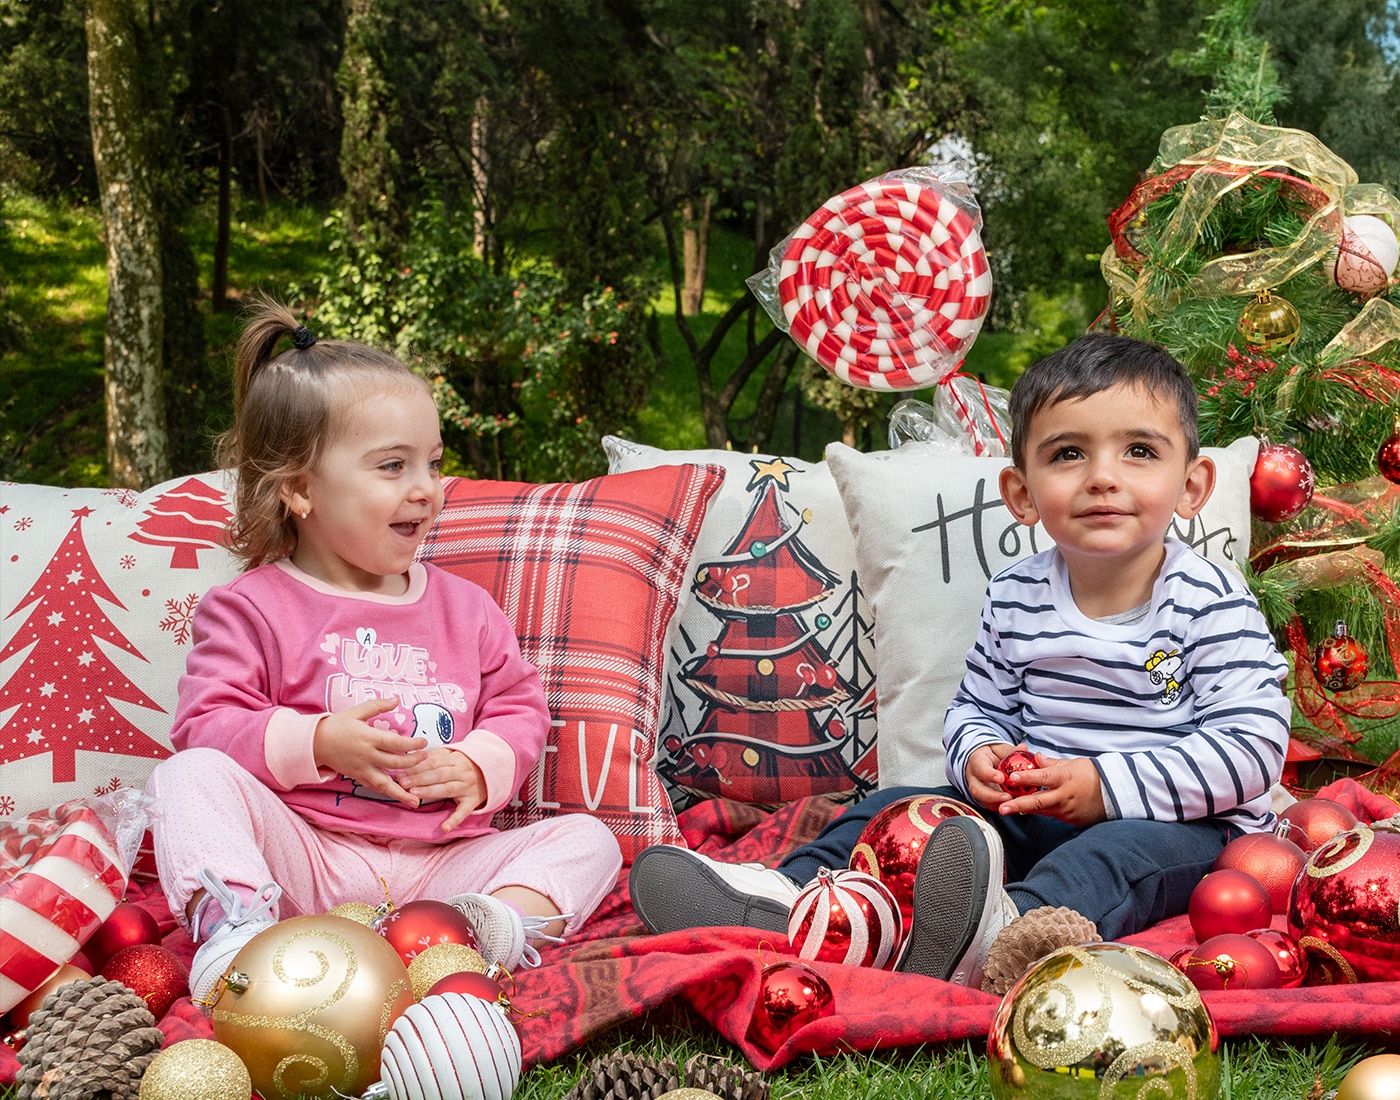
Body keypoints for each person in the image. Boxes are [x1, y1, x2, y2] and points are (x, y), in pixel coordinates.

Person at [628, 333, 1291, 990]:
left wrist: (1104, 787)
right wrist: (981, 757)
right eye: (1068, 454)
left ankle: (1010, 931)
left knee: (1111, 858)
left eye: (1140, 451)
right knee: (896, 806)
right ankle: (788, 894)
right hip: (1036, 808)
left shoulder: (1208, 599)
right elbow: (978, 708)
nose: (1103, 477)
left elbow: (1251, 747)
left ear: (1192, 484)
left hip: (1178, 826)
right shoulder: (1018, 594)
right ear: (1023, 492)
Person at [145, 299, 622, 1010]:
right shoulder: (251, 607)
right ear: (301, 488)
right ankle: (239, 939)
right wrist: (320, 740)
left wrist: (476, 764)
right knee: (187, 778)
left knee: (591, 841)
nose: (425, 490)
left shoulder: (465, 610)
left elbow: (520, 707)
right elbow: (208, 724)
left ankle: (478, 936)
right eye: (392, 466)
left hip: (442, 867)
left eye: (432, 462)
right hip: (306, 857)